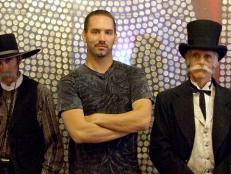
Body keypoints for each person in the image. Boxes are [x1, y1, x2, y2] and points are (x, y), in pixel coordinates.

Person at [58, 10, 153, 174]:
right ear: (84, 35)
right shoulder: (69, 82)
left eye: (108, 32)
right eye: (95, 31)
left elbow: (143, 120)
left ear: (115, 37)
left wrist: (96, 118)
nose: (102, 38)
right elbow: (80, 132)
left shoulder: (134, 75)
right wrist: (129, 124)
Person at [149, 19, 231, 174]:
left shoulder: (230, 99)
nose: (201, 62)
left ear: (216, 62)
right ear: (187, 59)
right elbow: (159, 149)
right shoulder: (166, 100)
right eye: (195, 55)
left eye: (207, 57)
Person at [0, 33, 64, 174]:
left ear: (19, 60)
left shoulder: (40, 93)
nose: (4, 67)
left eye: (8, 60)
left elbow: (54, 145)